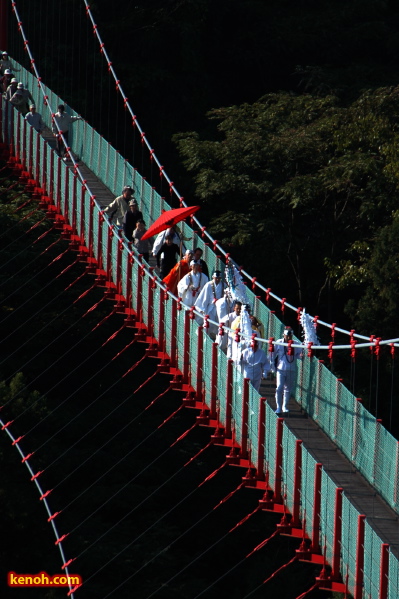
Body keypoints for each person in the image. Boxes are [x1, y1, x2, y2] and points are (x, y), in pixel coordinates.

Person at [272, 325, 302, 415]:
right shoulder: (279, 343)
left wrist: (301, 356)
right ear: (284, 335)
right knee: (279, 387)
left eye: (290, 336)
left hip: (291, 369)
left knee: (288, 389)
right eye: (287, 336)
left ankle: (284, 406)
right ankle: (278, 407)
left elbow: (298, 355)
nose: (289, 338)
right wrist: (272, 366)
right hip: (281, 368)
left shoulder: (296, 344)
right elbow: (272, 354)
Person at [194, 270, 225, 337]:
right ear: (213, 277)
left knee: (219, 325)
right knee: (208, 324)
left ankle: (216, 339)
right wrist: (203, 308)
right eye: (216, 278)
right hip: (211, 307)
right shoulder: (208, 285)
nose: (217, 279)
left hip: (220, 308)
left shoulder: (223, 285)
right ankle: (201, 337)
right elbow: (204, 296)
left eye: (219, 278)